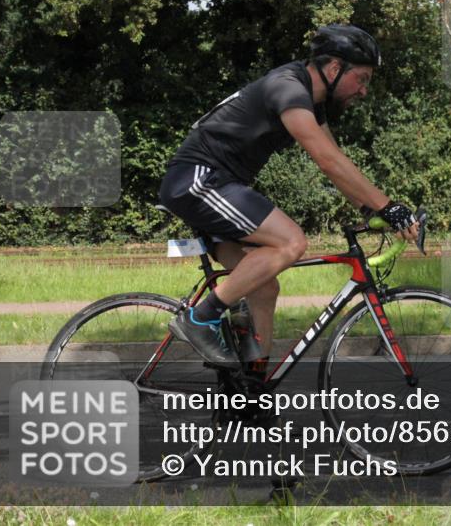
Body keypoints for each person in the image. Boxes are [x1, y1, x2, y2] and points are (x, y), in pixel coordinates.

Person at [157, 25, 420, 371]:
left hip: (221, 184)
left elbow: (335, 159)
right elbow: (327, 161)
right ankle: (200, 319)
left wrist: (369, 207)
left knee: (264, 289)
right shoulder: (288, 88)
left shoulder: (312, 101)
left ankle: (253, 397)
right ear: (333, 68)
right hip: (200, 179)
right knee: (291, 242)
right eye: (362, 78)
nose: (364, 90)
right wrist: (390, 207)